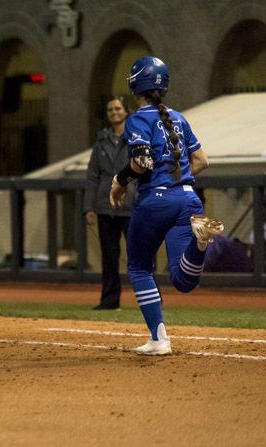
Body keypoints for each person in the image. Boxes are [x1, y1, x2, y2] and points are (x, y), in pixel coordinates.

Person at [109, 56, 224, 355]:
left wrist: (120, 180)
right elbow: (202, 161)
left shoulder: (137, 119)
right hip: (187, 198)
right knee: (183, 280)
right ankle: (200, 243)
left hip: (155, 200)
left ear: (137, 86)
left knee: (138, 266)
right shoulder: (179, 118)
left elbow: (142, 161)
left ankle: (159, 339)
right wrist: (178, 179)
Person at [84, 96, 137, 310]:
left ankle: (150, 301)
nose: (114, 112)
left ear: (126, 111)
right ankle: (109, 301)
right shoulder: (101, 141)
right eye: (110, 110)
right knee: (109, 257)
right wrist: (89, 207)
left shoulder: (135, 138)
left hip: (131, 204)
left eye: (117, 108)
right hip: (105, 205)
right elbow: (92, 176)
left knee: (139, 255)